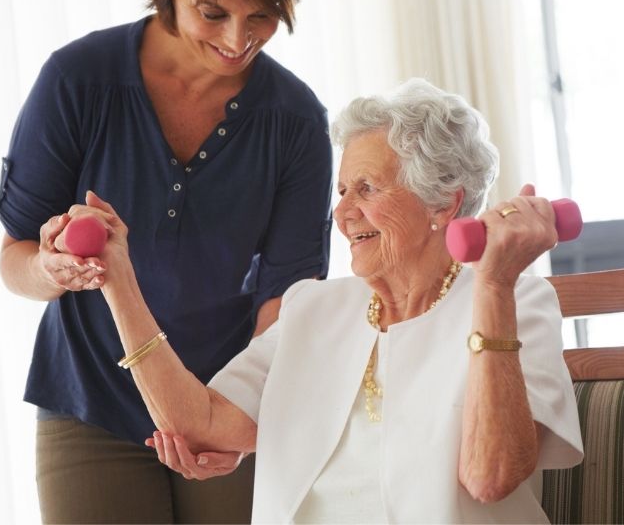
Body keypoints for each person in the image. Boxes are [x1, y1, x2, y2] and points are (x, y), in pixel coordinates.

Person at [68, 78, 585, 523]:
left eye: (366, 189)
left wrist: (495, 285)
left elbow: (490, 477)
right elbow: (198, 424)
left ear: (442, 202)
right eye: (341, 192)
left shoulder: (517, 302)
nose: (343, 214)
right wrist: (119, 280)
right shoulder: (311, 309)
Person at [0, 0, 332, 522]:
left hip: (222, 397)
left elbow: (283, 305)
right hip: (89, 401)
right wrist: (52, 269)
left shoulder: (297, 123)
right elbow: (15, 259)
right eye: (213, 12)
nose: (238, 39)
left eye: (262, 15)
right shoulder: (78, 81)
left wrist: (240, 422)